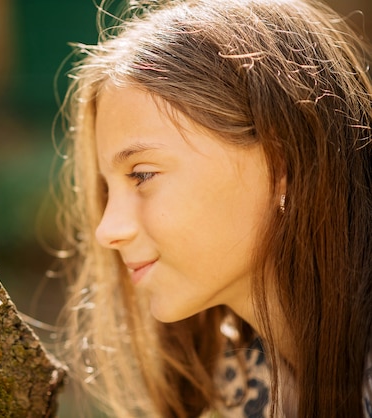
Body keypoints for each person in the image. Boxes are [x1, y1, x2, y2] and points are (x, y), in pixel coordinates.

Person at [54, 0, 372, 416]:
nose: (107, 230)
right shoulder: (231, 385)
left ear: (283, 165)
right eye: (107, 188)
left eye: (142, 175)